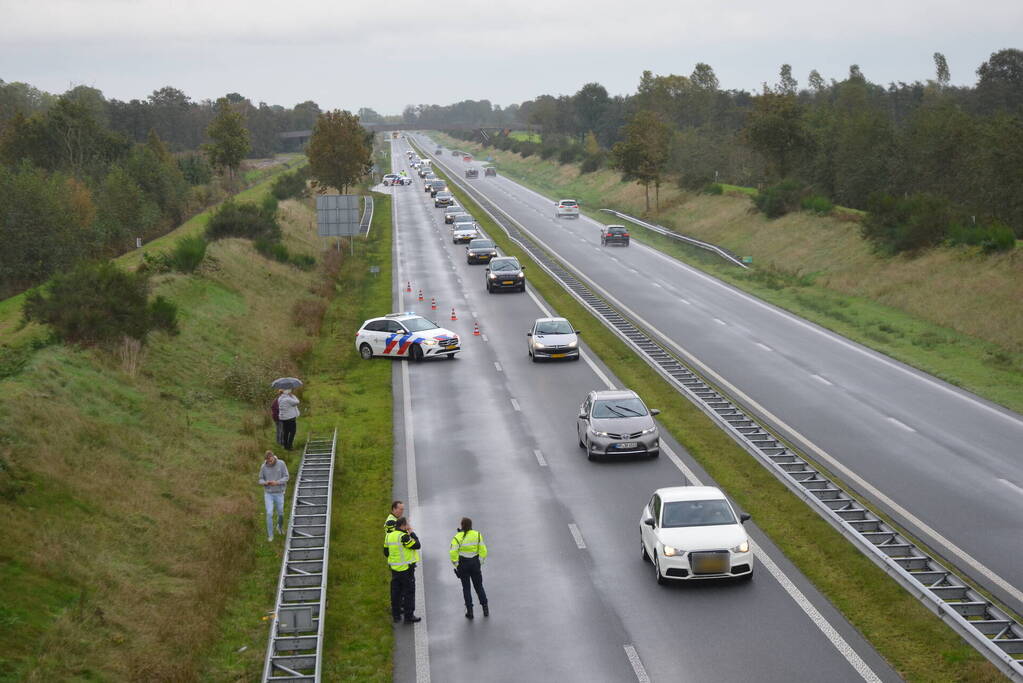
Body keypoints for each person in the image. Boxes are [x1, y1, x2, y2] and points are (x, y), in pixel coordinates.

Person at [384, 516, 422, 624]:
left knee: (396, 593)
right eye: (407, 525)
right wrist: (412, 533)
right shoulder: (404, 537)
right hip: (406, 570)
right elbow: (417, 545)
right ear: (403, 525)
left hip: (395, 569)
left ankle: (396, 616)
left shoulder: (389, 536)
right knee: (409, 592)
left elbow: (386, 552)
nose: (408, 526)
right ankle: (408, 616)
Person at [449, 517, 489, 619]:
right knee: (479, 586)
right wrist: (479, 562)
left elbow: (453, 552)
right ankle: (485, 608)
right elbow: (483, 551)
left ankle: (470, 611)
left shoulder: (457, 537)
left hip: (463, 565)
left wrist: (457, 565)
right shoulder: (477, 535)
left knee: (466, 588)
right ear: (471, 525)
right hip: (475, 563)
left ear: (462, 525)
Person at [259, 450, 289, 542]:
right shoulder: (263, 467)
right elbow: (260, 479)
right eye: (268, 461)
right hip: (268, 493)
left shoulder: (281, 463)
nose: (270, 462)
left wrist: (277, 482)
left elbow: (287, 477)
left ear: (273, 457)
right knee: (269, 513)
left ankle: (279, 527)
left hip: (279, 492)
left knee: (281, 513)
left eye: (271, 460)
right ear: (266, 460)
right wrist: (265, 482)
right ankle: (270, 535)